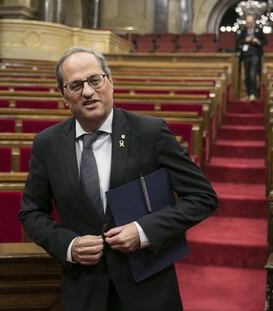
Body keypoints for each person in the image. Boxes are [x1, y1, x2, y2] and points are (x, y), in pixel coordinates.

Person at [19, 47, 218, 311]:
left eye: (94, 80)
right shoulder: (47, 144)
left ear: (110, 82)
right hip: (85, 292)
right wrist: (68, 245)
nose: (88, 92)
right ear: (64, 96)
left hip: (148, 289)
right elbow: (32, 212)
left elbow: (203, 197)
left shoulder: (150, 132)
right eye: (76, 85)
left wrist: (143, 231)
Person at [236, 14, 267, 101]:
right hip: (245, 56)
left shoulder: (258, 31)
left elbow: (265, 41)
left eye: (250, 22)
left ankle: (254, 94)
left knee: (253, 74)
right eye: (247, 22)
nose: (249, 23)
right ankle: (249, 93)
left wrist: (257, 41)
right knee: (246, 76)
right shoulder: (243, 31)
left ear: (253, 22)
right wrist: (245, 40)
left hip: (255, 55)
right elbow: (238, 41)